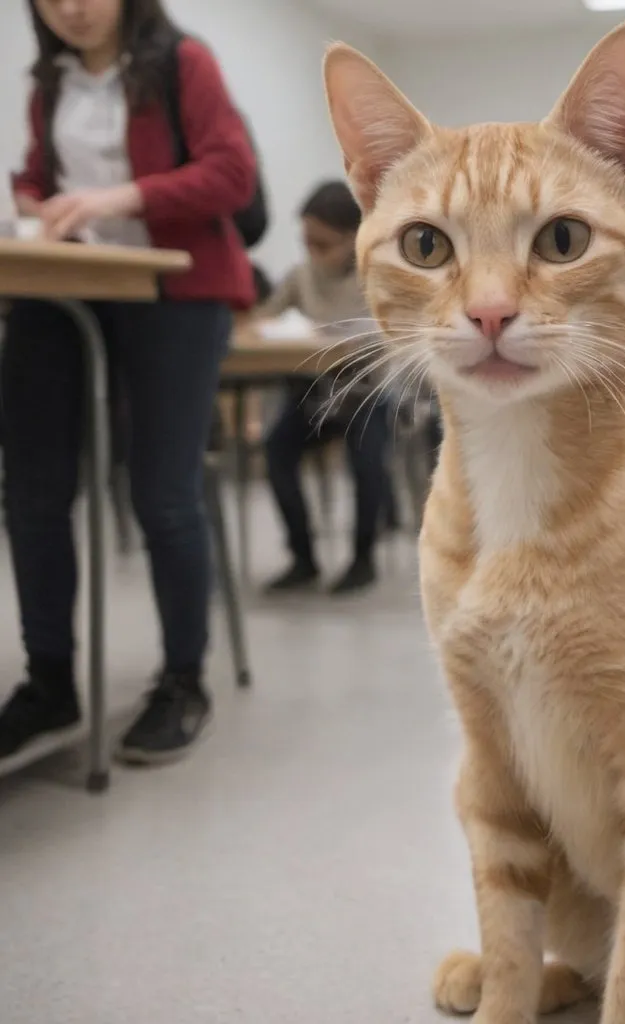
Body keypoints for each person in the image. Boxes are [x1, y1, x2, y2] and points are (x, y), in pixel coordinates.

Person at [0, 0, 256, 763]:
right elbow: (41, 178)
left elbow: (232, 173)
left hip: (173, 290)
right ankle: (50, 682)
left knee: (162, 494)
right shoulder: (51, 85)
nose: (72, 8)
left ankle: (183, 679)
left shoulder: (184, 63)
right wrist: (32, 201)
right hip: (75, 290)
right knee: (32, 489)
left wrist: (118, 198)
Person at [260, 180, 391, 595]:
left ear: (355, 238)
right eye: (306, 242)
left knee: (367, 463)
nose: (314, 253)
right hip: (312, 393)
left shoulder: (380, 274)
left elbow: (391, 336)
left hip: (365, 392)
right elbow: (263, 320)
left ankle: (363, 558)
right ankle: (303, 557)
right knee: (276, 451)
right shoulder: (301, 276)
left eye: (324, 243)